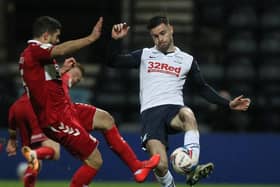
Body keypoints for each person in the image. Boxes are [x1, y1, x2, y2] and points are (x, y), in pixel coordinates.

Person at [107, 16, 251, 187]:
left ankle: (190, 163)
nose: (160, 39)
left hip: (173, 109)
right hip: (150, 114)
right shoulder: (145, 55)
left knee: (188, 114)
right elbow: (113, 62)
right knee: (160, 165)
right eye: (155, 36)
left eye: (162, 33)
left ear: (171, 29)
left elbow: (202, 88)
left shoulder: (187, 60)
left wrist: (227, 103)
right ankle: (178, 180)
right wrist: (114, 41)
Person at [11, 53, 159, 186]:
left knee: (106, 119)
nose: (76, 79)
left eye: (79, 79)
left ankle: (137, 167)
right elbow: (46, 74)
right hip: (56, 115)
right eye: (77, 74)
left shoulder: (56, 73)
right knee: (94, 160)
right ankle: (35, 161)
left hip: (66, 109)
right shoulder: (57, 71)